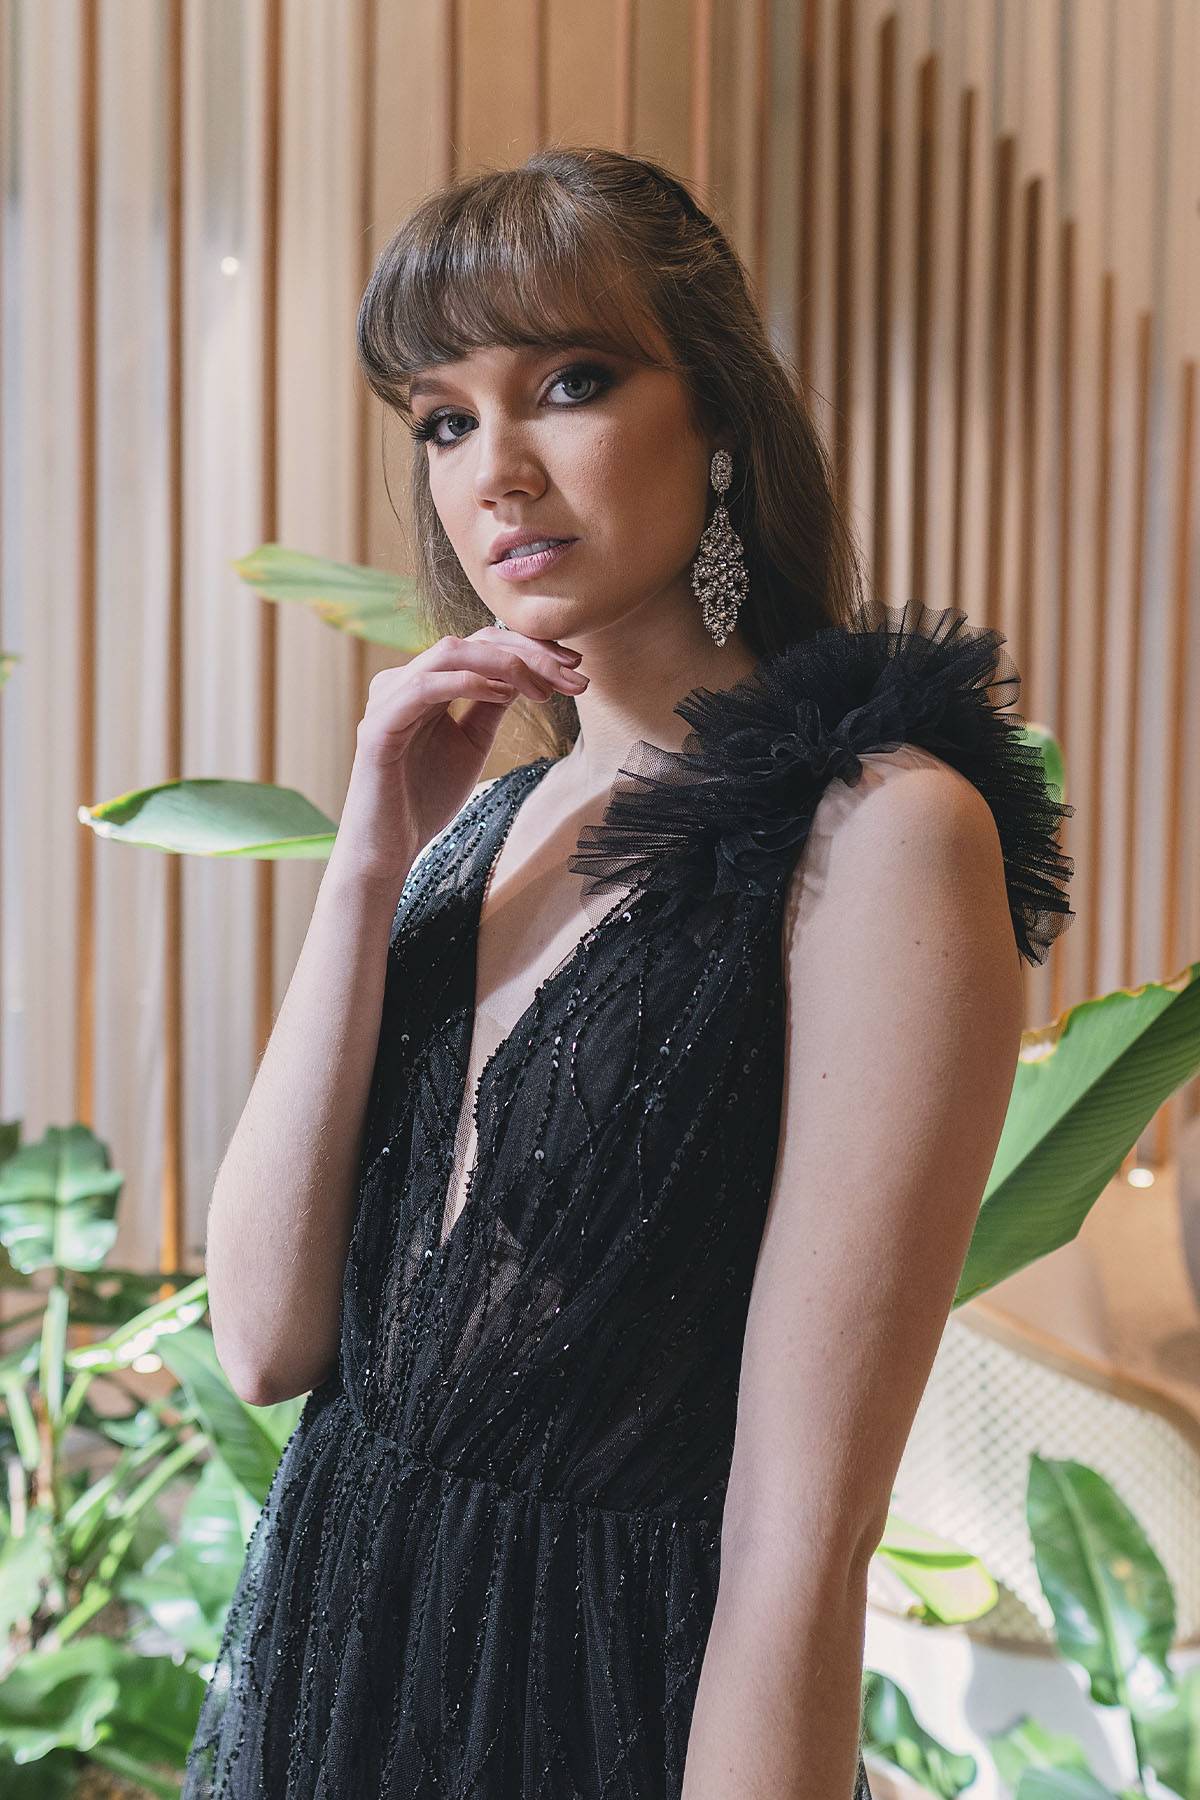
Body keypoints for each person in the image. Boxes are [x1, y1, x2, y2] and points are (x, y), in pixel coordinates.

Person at [187, 145, 1075, 1799]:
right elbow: (264, 1340)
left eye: (569, 384)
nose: (496, 472)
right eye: (443, 420)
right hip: (333, 1671)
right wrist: (369, 860)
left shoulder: (879, 833)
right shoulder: (483, 826)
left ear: (719, 419)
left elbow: (803, 1534)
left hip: (594, 1712)